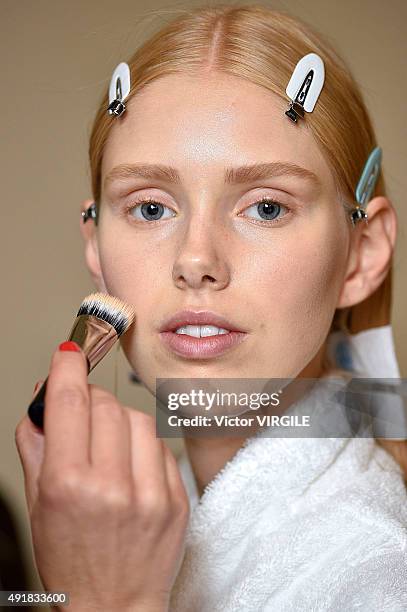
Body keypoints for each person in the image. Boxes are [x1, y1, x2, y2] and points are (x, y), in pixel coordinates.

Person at [15, 4, 407, 611]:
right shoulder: (146, 521)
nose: (195, 259)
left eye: (267, 207)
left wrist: (107, 602)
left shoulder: (379, 577)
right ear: (95, 247)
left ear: (362, 255)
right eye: (150, 208)